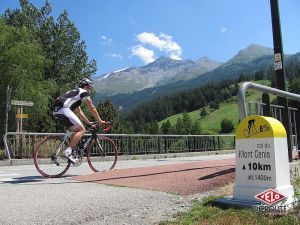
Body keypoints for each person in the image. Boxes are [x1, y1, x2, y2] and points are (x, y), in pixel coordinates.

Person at [53, 78, 106, 163]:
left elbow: (80, 113)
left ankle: (70, 147)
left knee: (77, 130)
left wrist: (88, 122)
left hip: (57, 111)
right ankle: (68, 151)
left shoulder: (75, 94)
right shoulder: (83, 92)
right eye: (89, 88)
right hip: (64, 109)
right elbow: (92, 108)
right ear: (85, 86)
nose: (89, 90)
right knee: (82, 130)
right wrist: (100, 120)